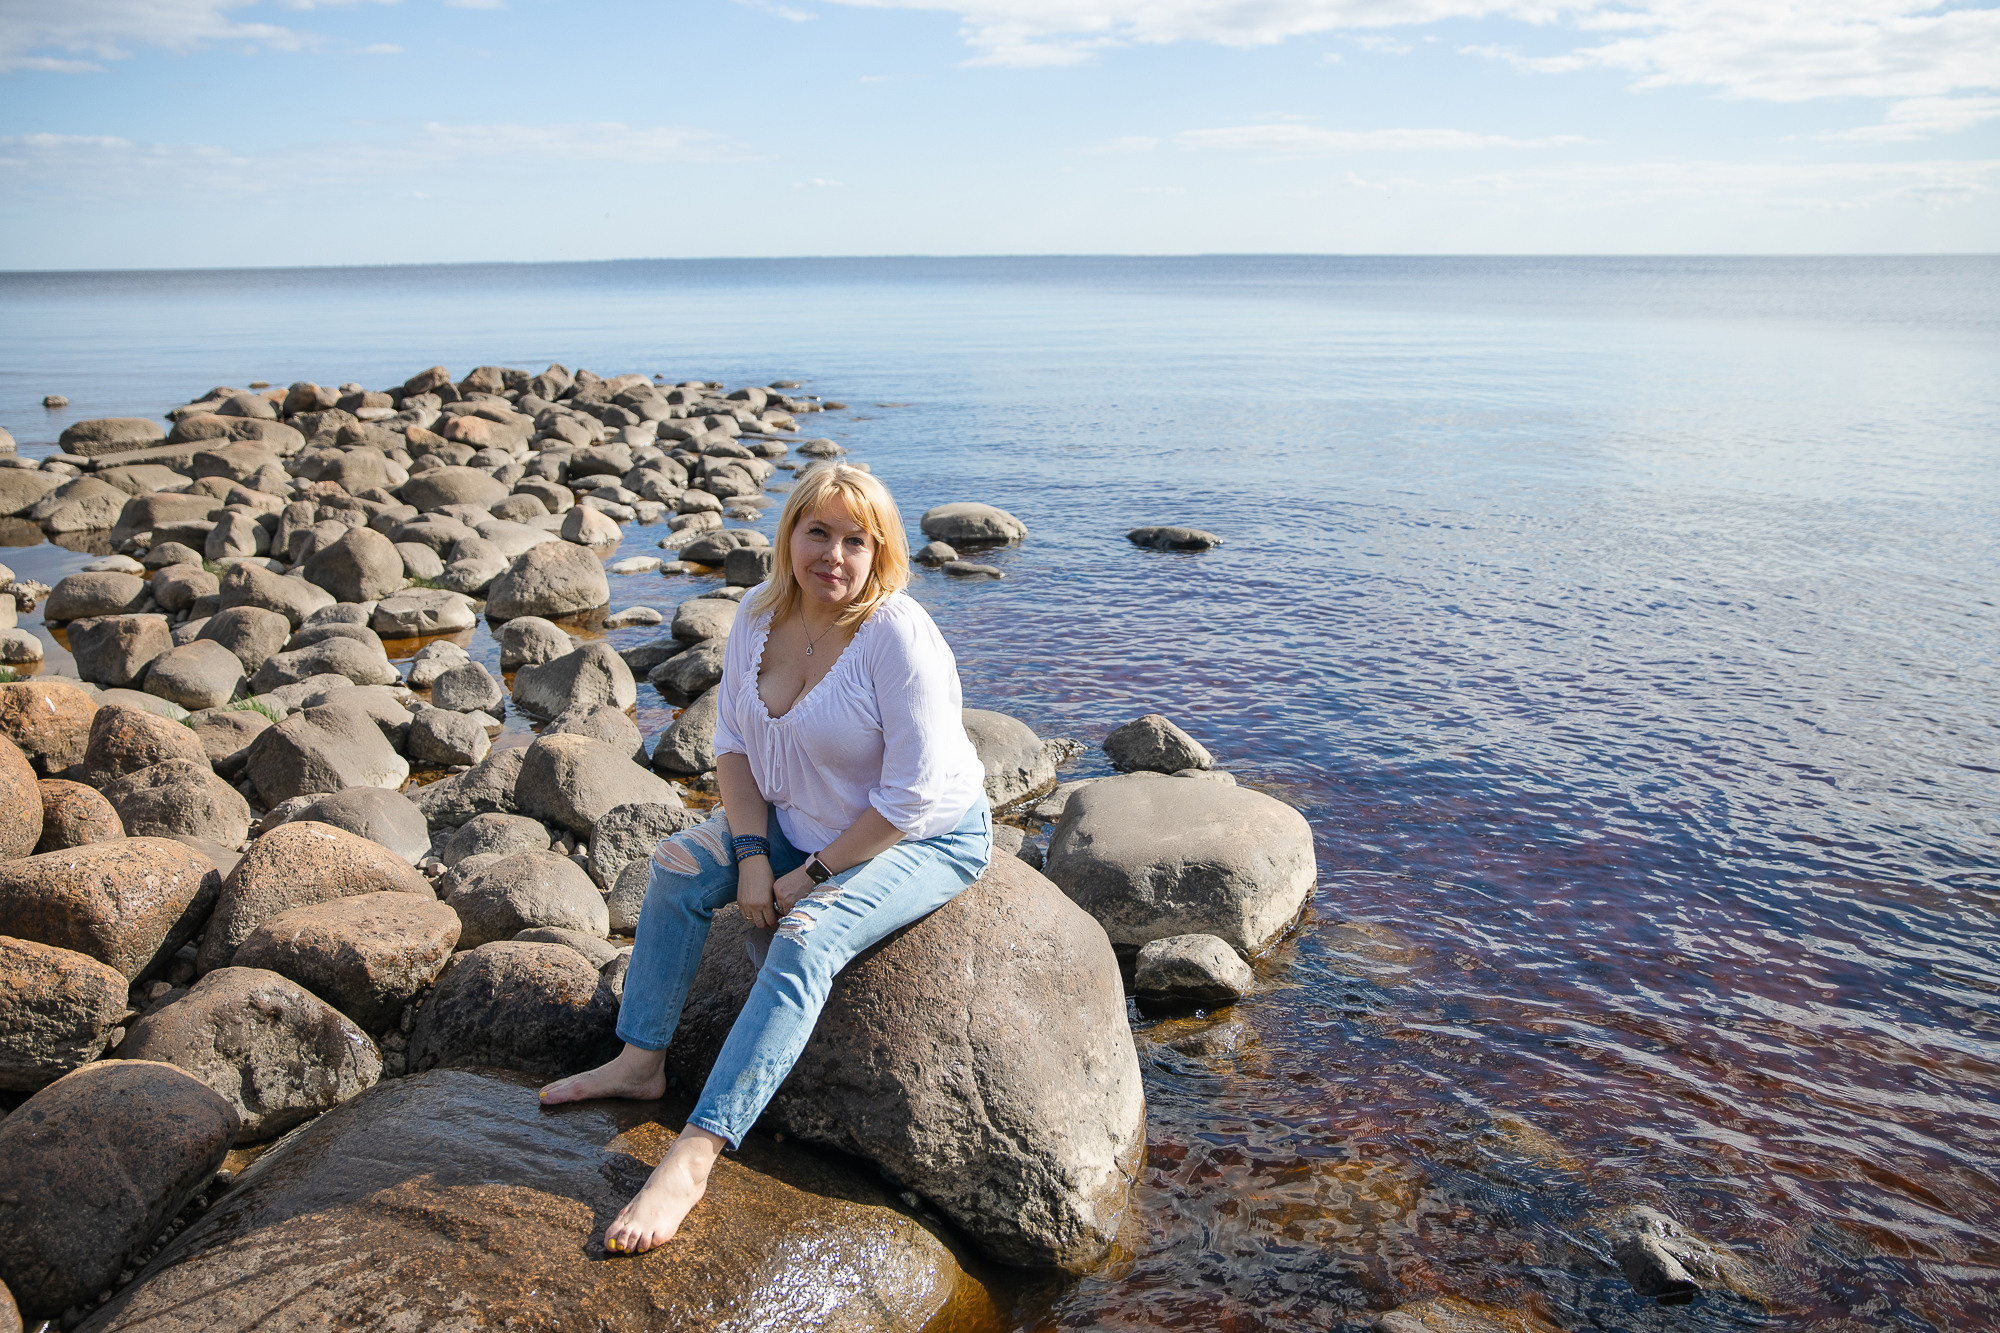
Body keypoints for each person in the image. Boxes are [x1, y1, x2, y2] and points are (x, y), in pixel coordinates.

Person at [539, 461, 992, 1255]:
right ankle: (640, 1058)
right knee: (678, 866)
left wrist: (808, 876)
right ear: (789, 535)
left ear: (881, 552)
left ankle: (697, 1150)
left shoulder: (898, 636)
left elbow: (910, 798)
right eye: (818, 532)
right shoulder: (756, 612)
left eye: (858, 539)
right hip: (799, 814)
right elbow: (736, 749)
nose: (835, 555)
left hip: (921, 832)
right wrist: (752, 855)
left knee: (806, 936)